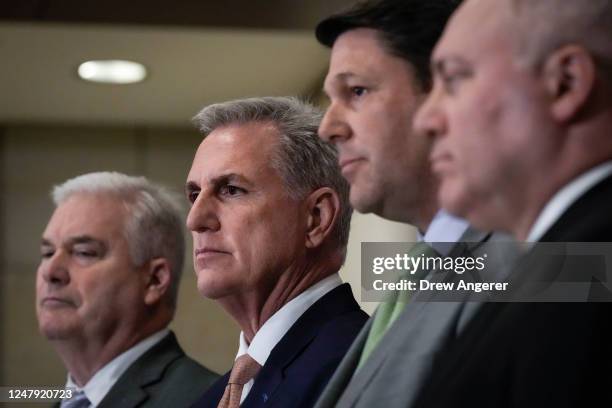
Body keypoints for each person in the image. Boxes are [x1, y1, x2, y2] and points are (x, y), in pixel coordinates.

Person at [312, 1, 517, 407]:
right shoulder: (413, 276)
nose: (328, 127)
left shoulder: (551, 263)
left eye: (357, 91)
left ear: (444, 92)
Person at [413, 0, 612, 406]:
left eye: (453, 79)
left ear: (566, 83)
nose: (426, 120)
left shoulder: (589, 273)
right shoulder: (564, 266)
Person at [186, 96, 368, 408]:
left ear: (316, 218)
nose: (194, 219)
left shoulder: (361, 369)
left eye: (231, 190)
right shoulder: (211, 399)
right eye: (194, 194)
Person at [36, 171, 218, 408]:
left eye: (84, 253)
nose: (51, 271)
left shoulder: (209, 401)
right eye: (47, 253)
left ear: (154, 280)